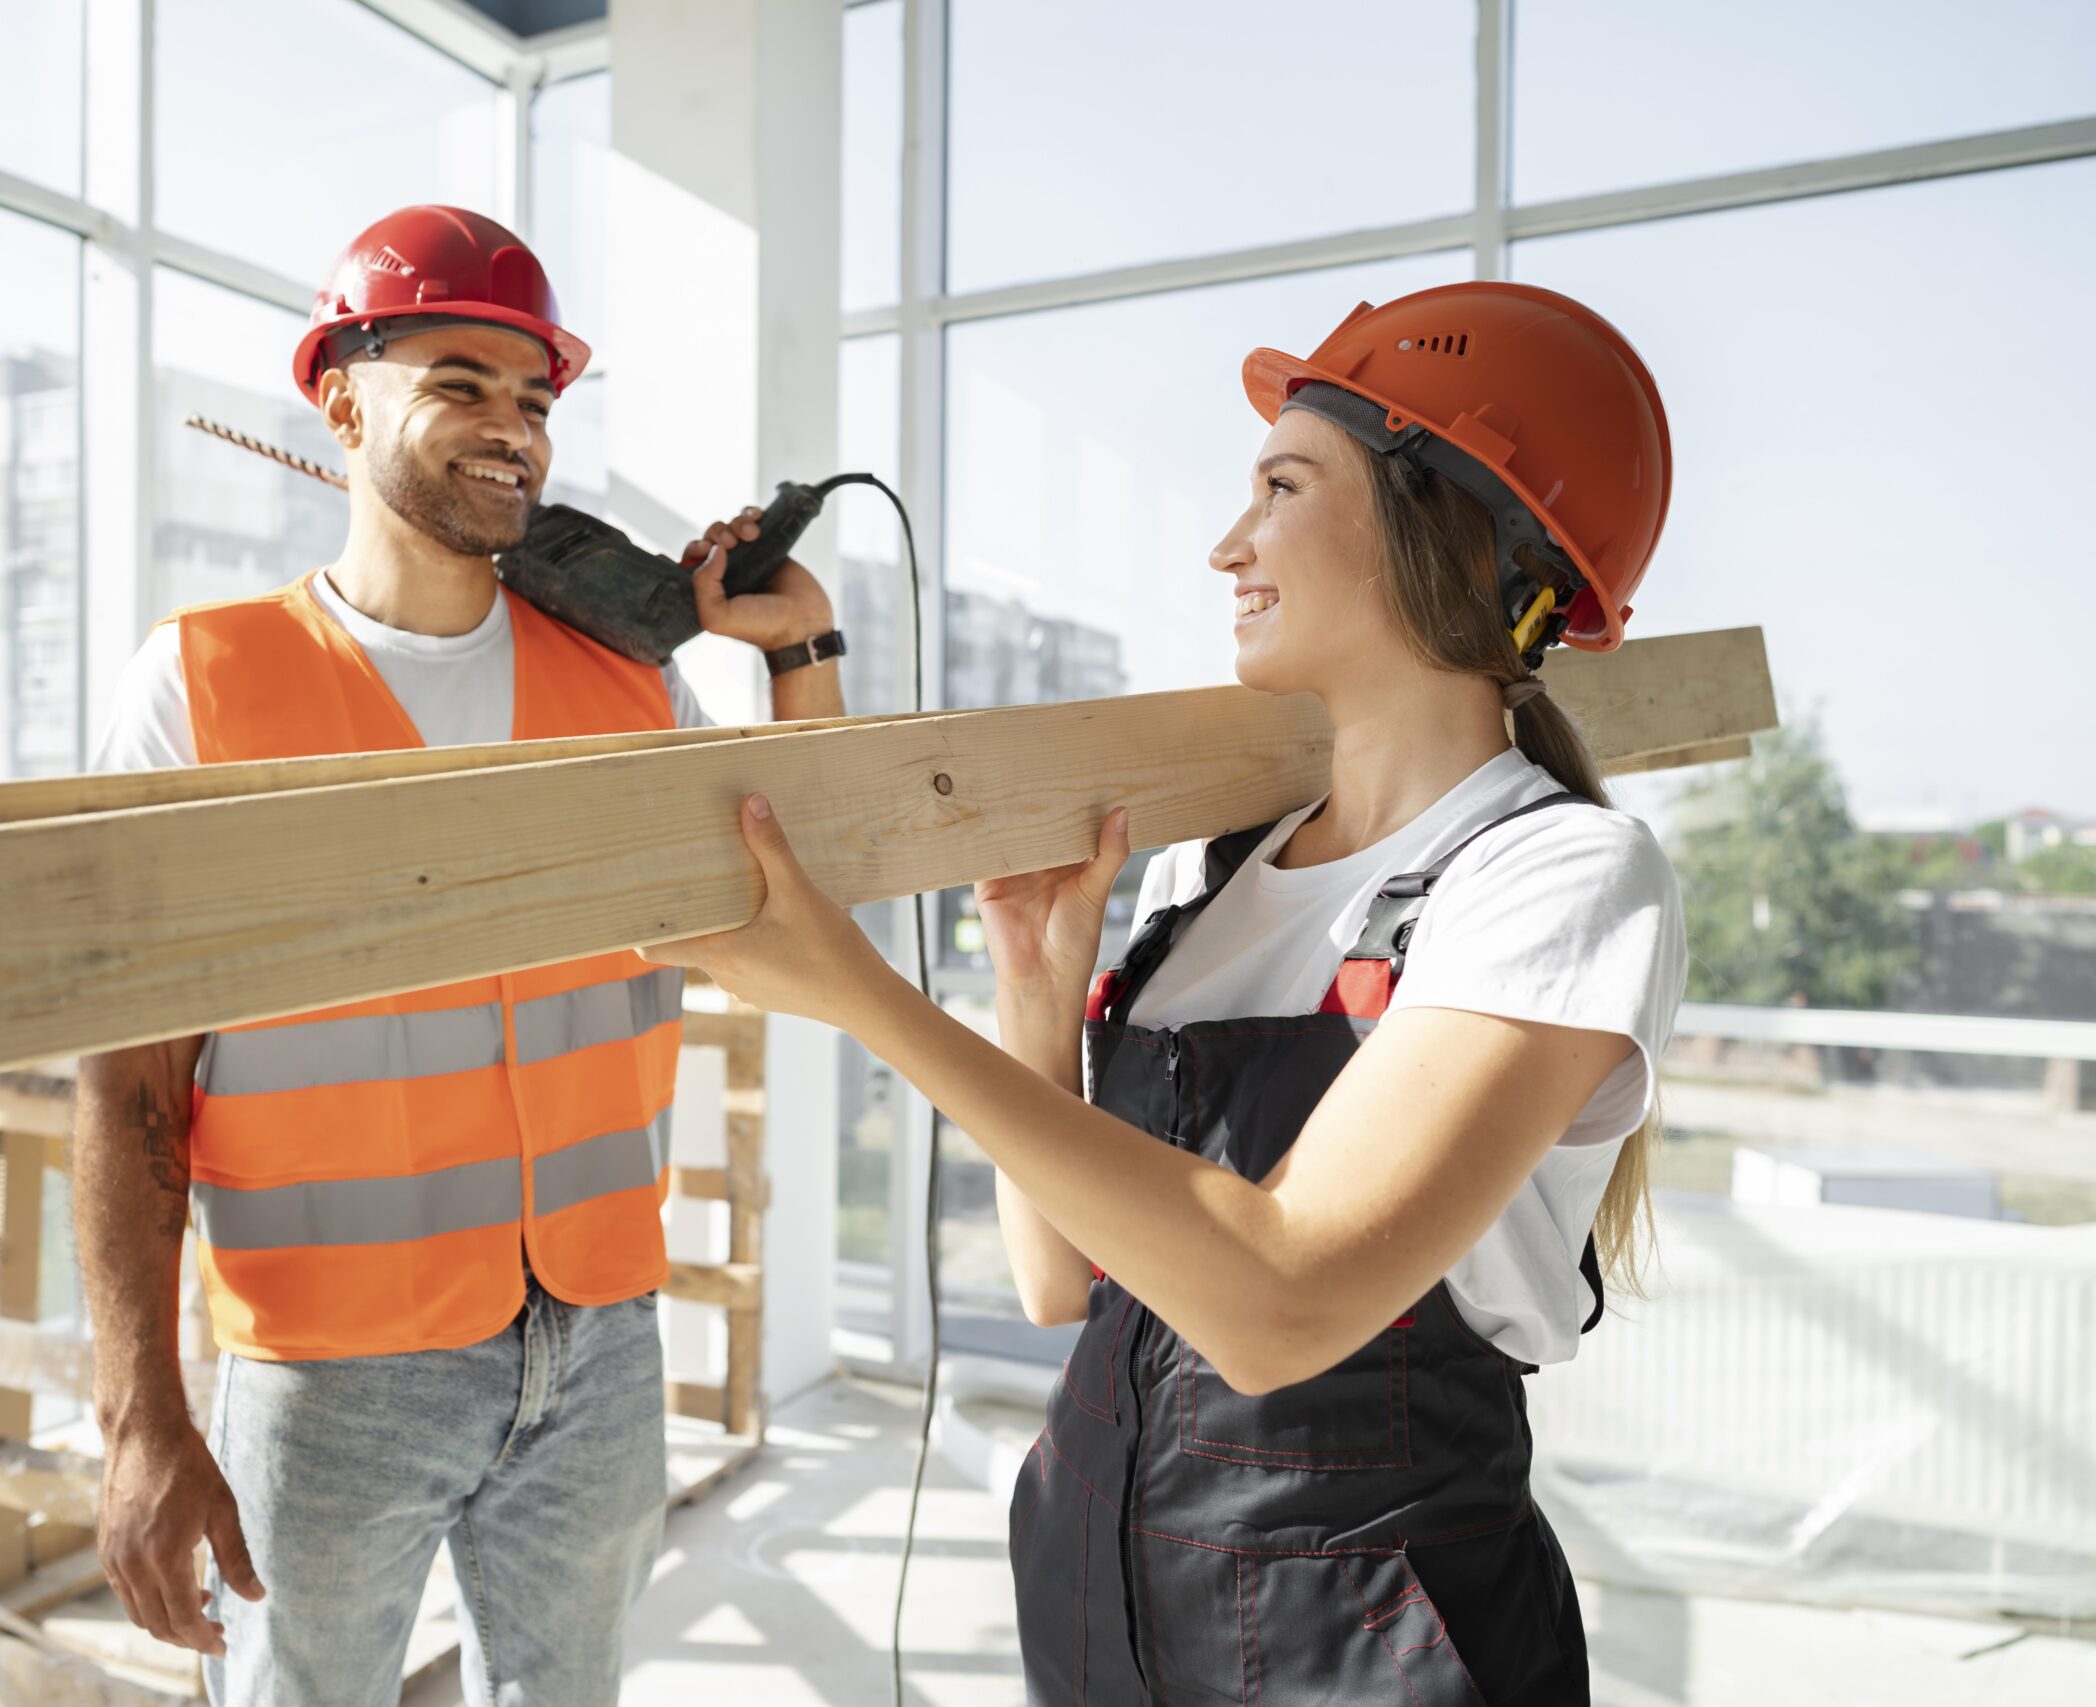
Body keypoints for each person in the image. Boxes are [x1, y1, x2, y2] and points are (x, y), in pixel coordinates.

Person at [647, 281, 1683, 1704]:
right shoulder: (1208, 872)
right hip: (1104, 1594)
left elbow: (1276, 1302)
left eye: (1281, 486)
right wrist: (1034, 998)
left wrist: (870, 1000)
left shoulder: (1557, 876)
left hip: (1366, 1637)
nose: (1226, 543)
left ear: (1439, 521)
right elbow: (1063, 1281)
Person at [74, 204, 847, 1705]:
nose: (514, 432)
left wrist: (795, 654)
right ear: (341, 395)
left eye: (537, 400)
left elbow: (788, 927)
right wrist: (140, 1419)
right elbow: (128, 1080)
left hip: (604, 1339)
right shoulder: (204, 683)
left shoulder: (630, 682)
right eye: (461, 384)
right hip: (328, 1363)